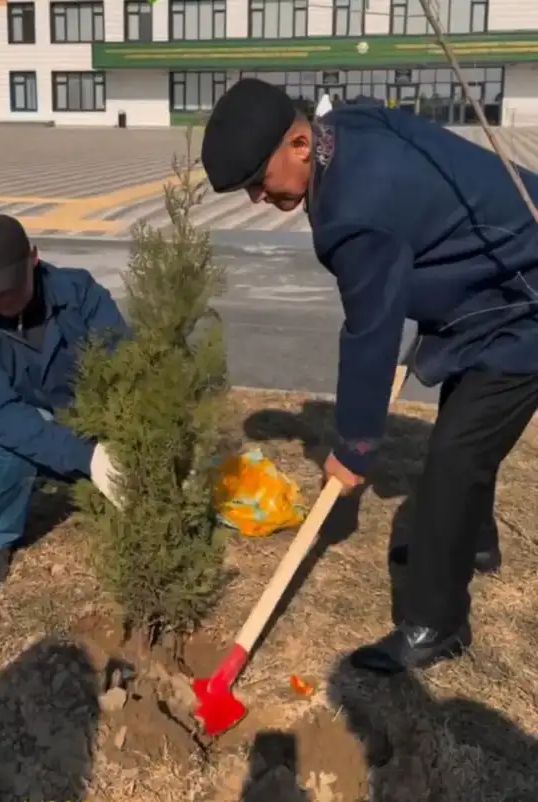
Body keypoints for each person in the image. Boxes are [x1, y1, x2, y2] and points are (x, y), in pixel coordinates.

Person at [200, 77, 538, 674]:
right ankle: (470, 544)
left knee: (455, 459)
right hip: (496, 282)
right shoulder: (347, 130)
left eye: (258, 180)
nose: (256, 197)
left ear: (301, 143)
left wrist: (355, 445)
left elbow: (369, 332)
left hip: (523, 301)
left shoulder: (351, 210)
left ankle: (437, 623)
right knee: (465, 428)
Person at [0, 214, 129, 589]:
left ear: (34, 258)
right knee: (5, 447)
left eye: (12, 286)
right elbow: (1, 416)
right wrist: (89, 455)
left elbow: (122, 358)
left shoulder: (79, 293)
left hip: (77, 423)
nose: (4, 300)